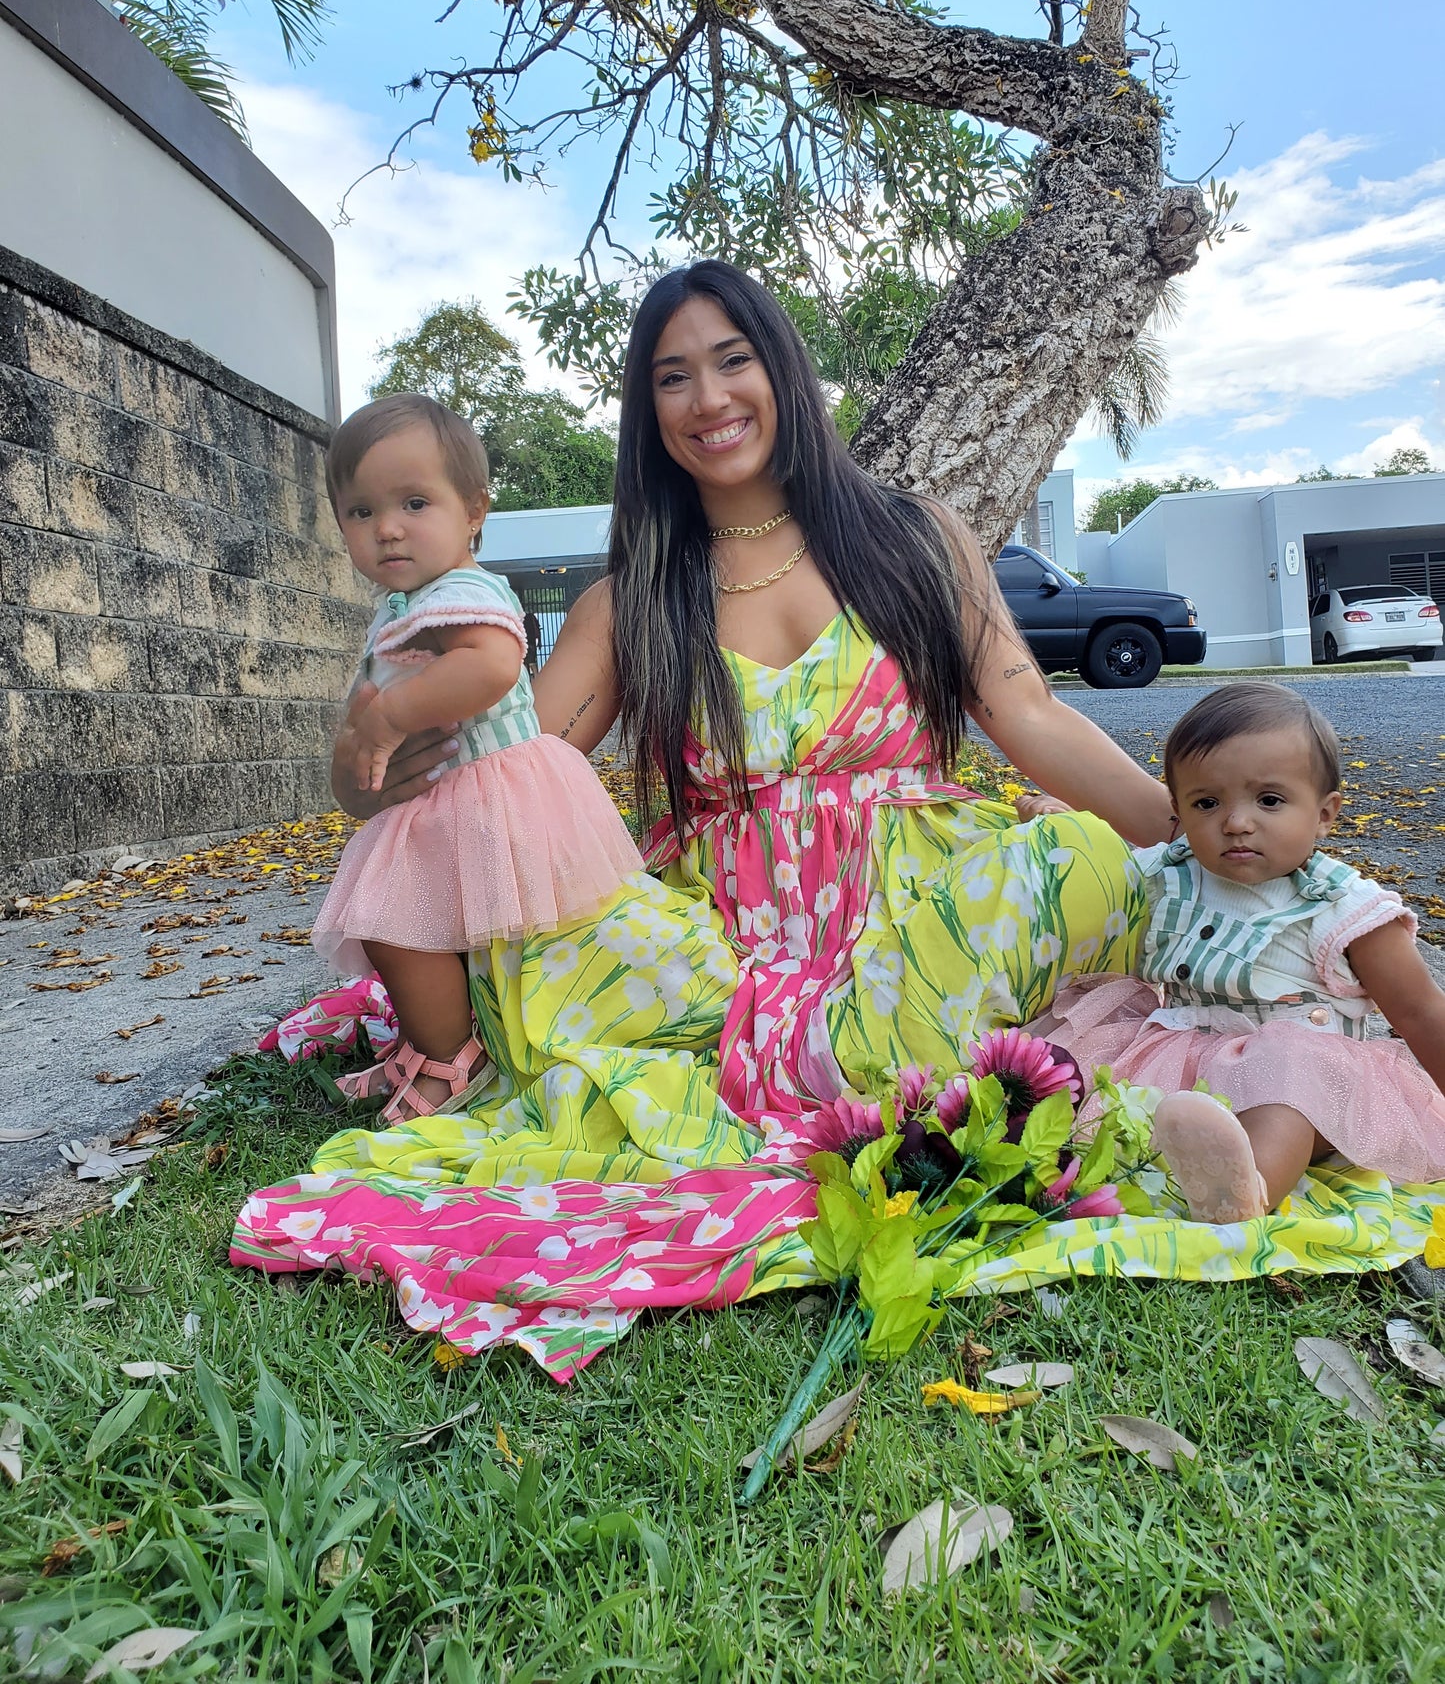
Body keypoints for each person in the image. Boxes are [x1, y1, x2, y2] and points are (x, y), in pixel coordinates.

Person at [233, 262, 1180, 1362]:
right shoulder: (634, 595)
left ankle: (849, 1061)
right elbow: (508, 765)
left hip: (910, 926)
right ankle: (864, 1074)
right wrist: (365, 775)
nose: (707, 398)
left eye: (731, 359)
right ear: (647, 413)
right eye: (670, 377)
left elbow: (1028, 714)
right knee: (555, 931)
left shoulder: (914, 538)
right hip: (710, 963)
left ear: (781, 364)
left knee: (1076, 858)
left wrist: (1186, 828)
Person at [308, 392, 643, 1125]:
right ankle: (441, 1041)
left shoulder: (459, 590)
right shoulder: (405, 602)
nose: (387, 528)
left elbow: (492, 664)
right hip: (449, 796)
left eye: (415, 502)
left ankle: (448, 1058)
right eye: (360, 512)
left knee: (399, 926)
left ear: (473, 511)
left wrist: (394, 710)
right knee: (413, 929)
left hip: (490, 792)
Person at [1042, 682, 1445, 1222]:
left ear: (1325, 814)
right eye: (1206, 803)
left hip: (1312, 1076)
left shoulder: (1341, 907)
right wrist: (1057, 825)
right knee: (1089, 1069)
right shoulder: (1169, 876)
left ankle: (1245, 1190)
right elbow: (1097, 866)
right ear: (1178, 812)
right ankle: (1137, 1157)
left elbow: (1420, 1011)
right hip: (1190, 1060)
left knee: (1289, 1082)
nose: (1235, 821)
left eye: (1269, 800)